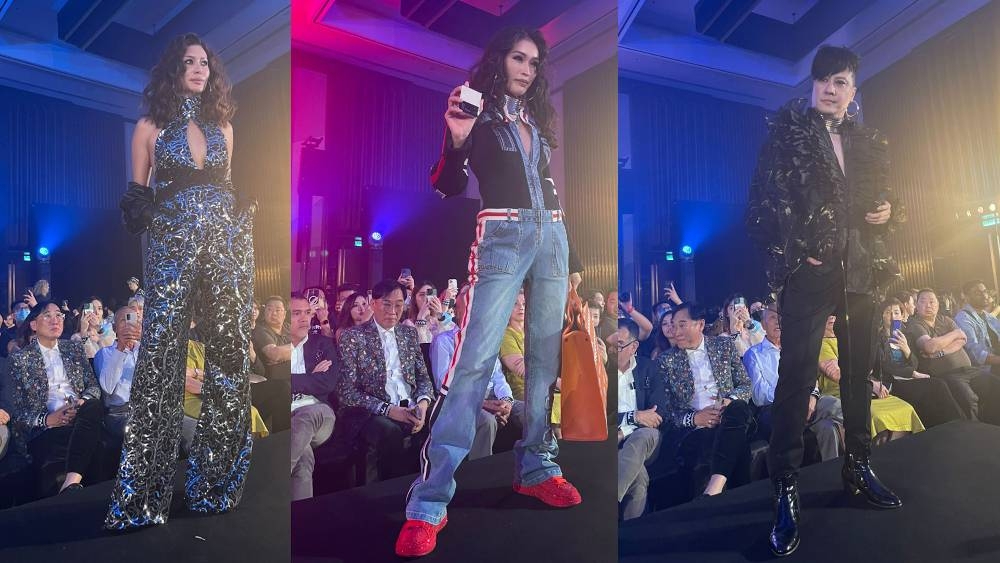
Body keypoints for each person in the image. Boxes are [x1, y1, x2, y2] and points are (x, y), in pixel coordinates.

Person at [397, 27, 584, 557]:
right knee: (472, 364)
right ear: (499, 61)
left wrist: (571, 266)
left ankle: (538, 466)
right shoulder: (473, 112)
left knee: (545, 362)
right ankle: (429, 503)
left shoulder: (538, 120)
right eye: (518, 58)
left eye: (533, 62)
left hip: (553, 233)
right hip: (500, 233)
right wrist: (455, 139)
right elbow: (446, 186)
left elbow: (545, 185)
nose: (526, 69)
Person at [746, 45, 903, 556]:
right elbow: (759, 210)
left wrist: (887, 213)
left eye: (840, 82)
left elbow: (883, 203)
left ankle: (857, 467)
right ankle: (784, 488)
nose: (831, 89)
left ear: (854, 90)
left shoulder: (868, 143)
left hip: (861, 269)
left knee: (858, 373)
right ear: (812, 85)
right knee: (796, 379)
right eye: (823, 80)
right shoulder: (786, 137)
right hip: (809, 274)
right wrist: (798, 254)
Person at [106, 33, 255, 530]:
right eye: (189, 62)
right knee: (161, 356)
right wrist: (153, 213)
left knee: (229, 352)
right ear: (173, 70)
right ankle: (145, 494)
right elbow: (136, 198)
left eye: (205, 63)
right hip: (170, 246)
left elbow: (228, 189)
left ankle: (214, 484)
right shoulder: (149, 126)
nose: (199, 69)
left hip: (223, 247)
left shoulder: (224, 127)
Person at [657, 303, 753, 499]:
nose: (675, 331)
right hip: (696, 429)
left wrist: (728, 401)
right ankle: (744, 498)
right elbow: (666, 410)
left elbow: (745, 384)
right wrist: (695, 419)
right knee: (733, 444)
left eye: (682, 325)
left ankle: (713, 491)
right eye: (673, 326)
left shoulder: (724, 346)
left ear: (700, 324)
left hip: (730, 416)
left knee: (738, 408)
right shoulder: (665, 361)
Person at [9, 302, 104, 494]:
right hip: (48, 425)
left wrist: (81, 401)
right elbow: (17, 411)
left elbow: (93, 386)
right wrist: (47, 419)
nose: (56, 320)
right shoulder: (20, 359)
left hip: (81, 415)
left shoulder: (74, 350)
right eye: (47, 315)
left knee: (93, 405)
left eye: (59, 315)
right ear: (34, 325)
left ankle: (70, 482)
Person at [743, 306, 844, 462]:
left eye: (781, 318)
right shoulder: (754, 354)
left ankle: (843, 469)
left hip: (808, 401)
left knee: (835, 416)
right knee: (827, 425)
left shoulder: (796, 347)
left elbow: (811, 377)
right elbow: (759, 395)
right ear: (762, 325)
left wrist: (813, 396)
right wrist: (794, 398)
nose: (778, 322)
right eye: (772, 318)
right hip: (777, 408)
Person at [816, 316, 924, 443]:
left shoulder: (849, 340)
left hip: (867, 388)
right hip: (842, 393)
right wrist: (872, 384)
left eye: (835, 312)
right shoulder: (820, 343)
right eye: (827, 313)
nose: (832, 317)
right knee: (876, 417)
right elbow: (836, 373)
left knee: (904, 409)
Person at [876, 299, 965, 427]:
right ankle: (956, 425)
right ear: (882, 315)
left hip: (909, 377)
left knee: (939, 385)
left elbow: (915, 363)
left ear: (902, 315)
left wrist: (907, 350)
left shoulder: (907, 335)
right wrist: (912, 373)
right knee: (936, 386)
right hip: (892, 382)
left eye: (896, 312)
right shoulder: (877, 338)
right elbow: (883, 365)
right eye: (888, 312)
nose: (892, 316)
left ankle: (957, 424)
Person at [614, 319, 665, 520]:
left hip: (646, 437)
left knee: (641, 437)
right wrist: (634, 416)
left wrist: (624, 430)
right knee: (639, 479)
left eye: (619, 345)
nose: (612, 350)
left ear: (634, 346)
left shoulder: (648, 368)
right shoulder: (601, 370)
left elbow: (658, 412)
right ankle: (629, 535)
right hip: (613, 435)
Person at [94, 306, 142, 437]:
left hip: (147, 408)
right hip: (120, 413)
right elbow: (108, 388)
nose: (128, 325)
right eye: (123, 321)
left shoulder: (146, 350)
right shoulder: (105, 353)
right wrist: (121, 347)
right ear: (114, 328)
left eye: (131, 320)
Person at [955, 280, 1000, 373]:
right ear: (966, 297)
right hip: (987, 370)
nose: (984, 296)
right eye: (977, 293)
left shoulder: (988, 316)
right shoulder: (963, 319)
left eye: (985, 291)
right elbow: (976, 355)